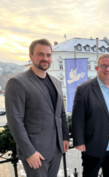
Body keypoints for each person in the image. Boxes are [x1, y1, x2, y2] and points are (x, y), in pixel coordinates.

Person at [5, 39, 70, 177]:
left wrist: (64, 137)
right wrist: (29, 152)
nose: (45, 58)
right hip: (36, 152)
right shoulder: (17, 82)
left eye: (48, 55)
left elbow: (61, 113)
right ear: (31, 56)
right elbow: (15, 121)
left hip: (56, 149)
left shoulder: (56, 82)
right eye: (40, 54)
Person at [71, 54, 109, 177]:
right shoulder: (84, 89)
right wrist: (79, 141)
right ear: (97, 68)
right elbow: (77, 118)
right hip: (94, 145)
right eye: (103, 66)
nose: (107, 69)